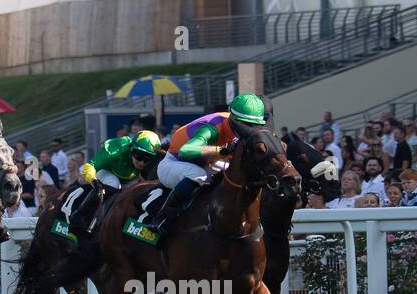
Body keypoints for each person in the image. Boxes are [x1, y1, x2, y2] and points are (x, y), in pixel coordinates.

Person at [149, 94, 268, 235]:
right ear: (234, 119)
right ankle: (162, 216)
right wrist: (222, 150)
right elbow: (185, 151)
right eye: (245, 124)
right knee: (200, 174)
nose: (249, 129)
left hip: (205, 163)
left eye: (254, 125)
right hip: (175, 163)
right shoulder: (211, 128)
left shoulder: (236, 126)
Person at [69, 130, 162, 237]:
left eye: (147, 158)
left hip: (132, 178)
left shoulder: (155, 159)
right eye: (139, 156)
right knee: (113, 183)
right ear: (131, 148)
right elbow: (90, 165)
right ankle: (79, 217)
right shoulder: (117, 148)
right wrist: (94, 181)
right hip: (108, 172)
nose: (142, 162)